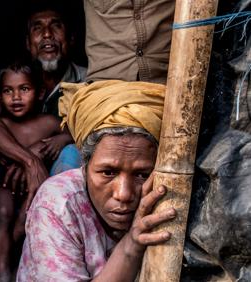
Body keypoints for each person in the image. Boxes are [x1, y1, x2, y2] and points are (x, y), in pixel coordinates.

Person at [0, 2, 86, 281]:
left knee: (73, 152)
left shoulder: (86, 79)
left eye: (55, 26)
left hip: (47, 180)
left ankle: (19, 248)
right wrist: (28, 160)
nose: (46, 35)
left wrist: (50, 147)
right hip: (9, 179)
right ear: (28, 42)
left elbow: (94, 129)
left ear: (70, 38)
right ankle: (2, 250)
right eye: (38, 28)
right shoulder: (14, 76)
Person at [17, 80, 177, 281]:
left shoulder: (167, 194)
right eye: (108, 173)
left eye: (142, 175)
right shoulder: (57, 205)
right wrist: (131, 246)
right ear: (85, 166)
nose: (124, 194)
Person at [0, 60, 73, 281]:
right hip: (9, 187)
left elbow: (76, 134)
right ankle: (2, 273)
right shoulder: (1, 125)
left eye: (24, 89)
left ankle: (21, 264)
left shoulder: (49, 122)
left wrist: (61, 139)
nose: (15, 97)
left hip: (38, 188)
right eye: (8, 91)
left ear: (40, 93)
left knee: (25, 222)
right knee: (2, 216)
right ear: (0, 96)